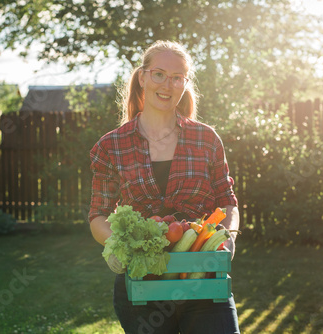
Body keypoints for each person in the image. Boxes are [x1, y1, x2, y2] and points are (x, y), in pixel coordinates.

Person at [88, 40, 240, 334]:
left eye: (177, 77)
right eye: (159, 74)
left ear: (185, 83)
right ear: (142, 77)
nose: (167, 84)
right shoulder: (111, 146)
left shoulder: (206, 140)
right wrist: (117, 246)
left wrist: (230, 236)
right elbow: (98, 215)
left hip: (203, 277)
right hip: (143, 283)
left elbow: (227, 200)